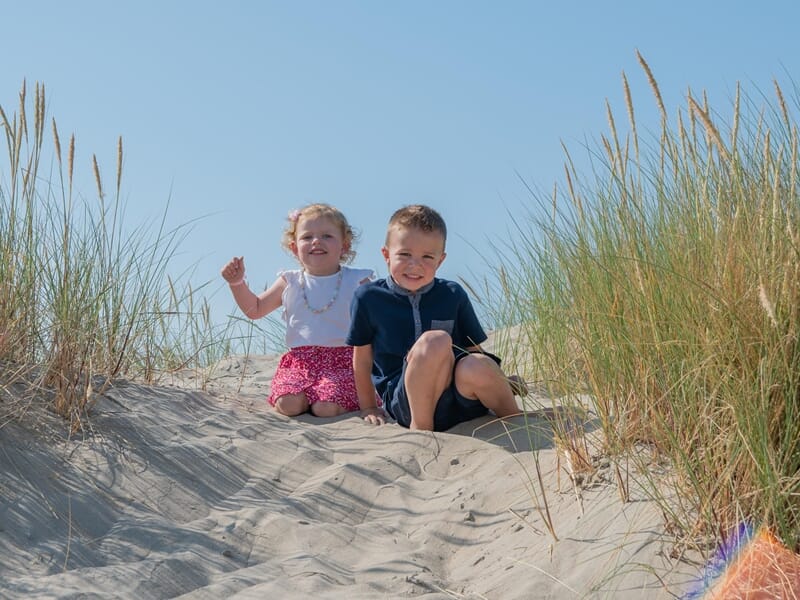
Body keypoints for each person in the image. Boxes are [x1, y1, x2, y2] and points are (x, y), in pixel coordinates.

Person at [346, 204, 521, 431]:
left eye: (427, 256)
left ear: (440, 260)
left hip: (459, 401)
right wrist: (368, 407)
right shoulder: (368, 298)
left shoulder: (452, 294)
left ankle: (515, 417)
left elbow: (474, 350)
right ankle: (422, 432)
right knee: (435, 341)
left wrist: (501, 381)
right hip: (406, 401)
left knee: (476, 364)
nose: (415, 265)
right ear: (386, 255)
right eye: (404, 254)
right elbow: (362, 359)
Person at [221, 203, 374, 418]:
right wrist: (237, 283)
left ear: (345, 246)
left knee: (326, 408)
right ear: (294, 247)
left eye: (327, 236)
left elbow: (378, 318)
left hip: (344, 362)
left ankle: (339, 401)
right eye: (307, 237)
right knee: (288, 404)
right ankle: (306, 399)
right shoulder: (289, 281)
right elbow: (255, 309)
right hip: (300, 362)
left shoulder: (357, 280)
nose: (316, 241)